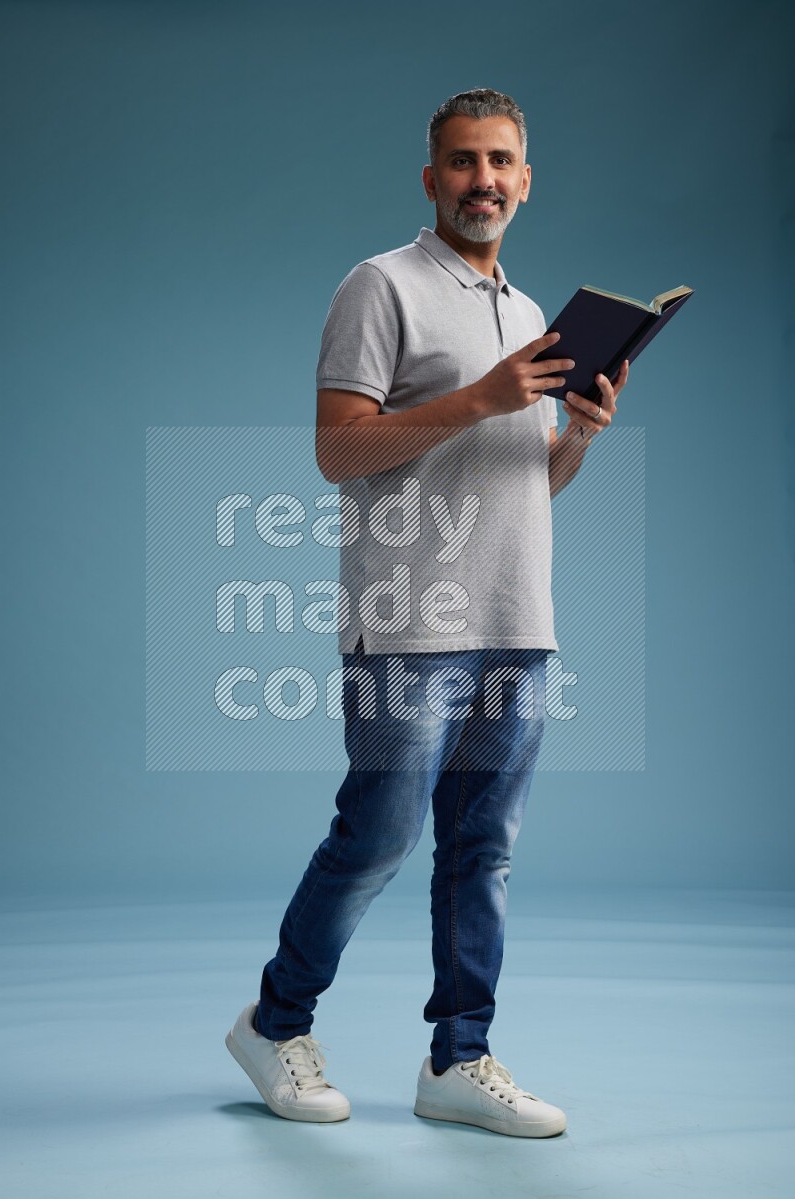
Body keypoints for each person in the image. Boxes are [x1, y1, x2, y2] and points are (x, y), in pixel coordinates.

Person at [225, 87, 629, 1137]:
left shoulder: (529, 311)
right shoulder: (380, 287)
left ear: (524, 178)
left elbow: (517, 481)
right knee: (378, 836)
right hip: (408, 618)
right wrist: (483, 397)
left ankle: (459, 1056)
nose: (481, 179)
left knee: (482, 849)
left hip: (515, 620)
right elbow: (338, 448)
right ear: (430, 177)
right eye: (461, 161)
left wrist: (574, 433)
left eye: (499, 161)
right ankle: (274, 1022)